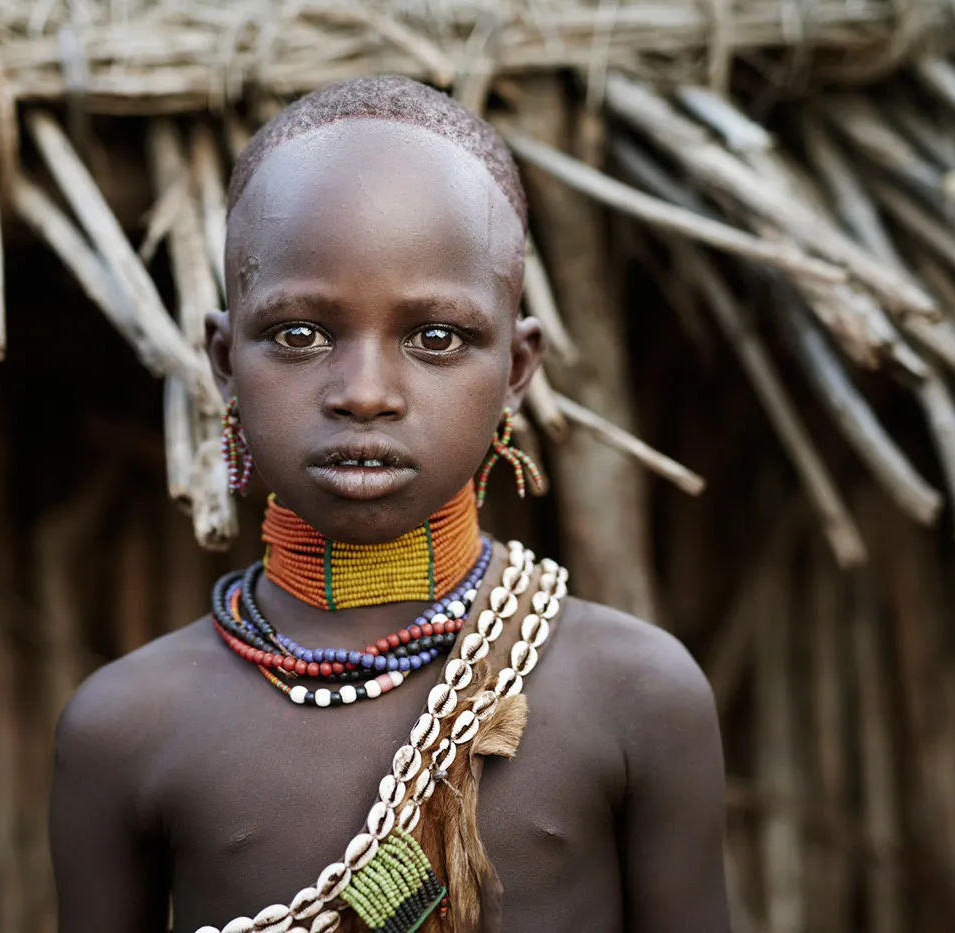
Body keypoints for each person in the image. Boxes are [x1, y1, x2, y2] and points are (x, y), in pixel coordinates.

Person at [48, 75, 729, 933]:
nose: (365, 393)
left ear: (517, 369)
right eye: (300, 334)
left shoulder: (636, 696)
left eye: (435, 337)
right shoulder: (126, 727)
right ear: (224, 359)